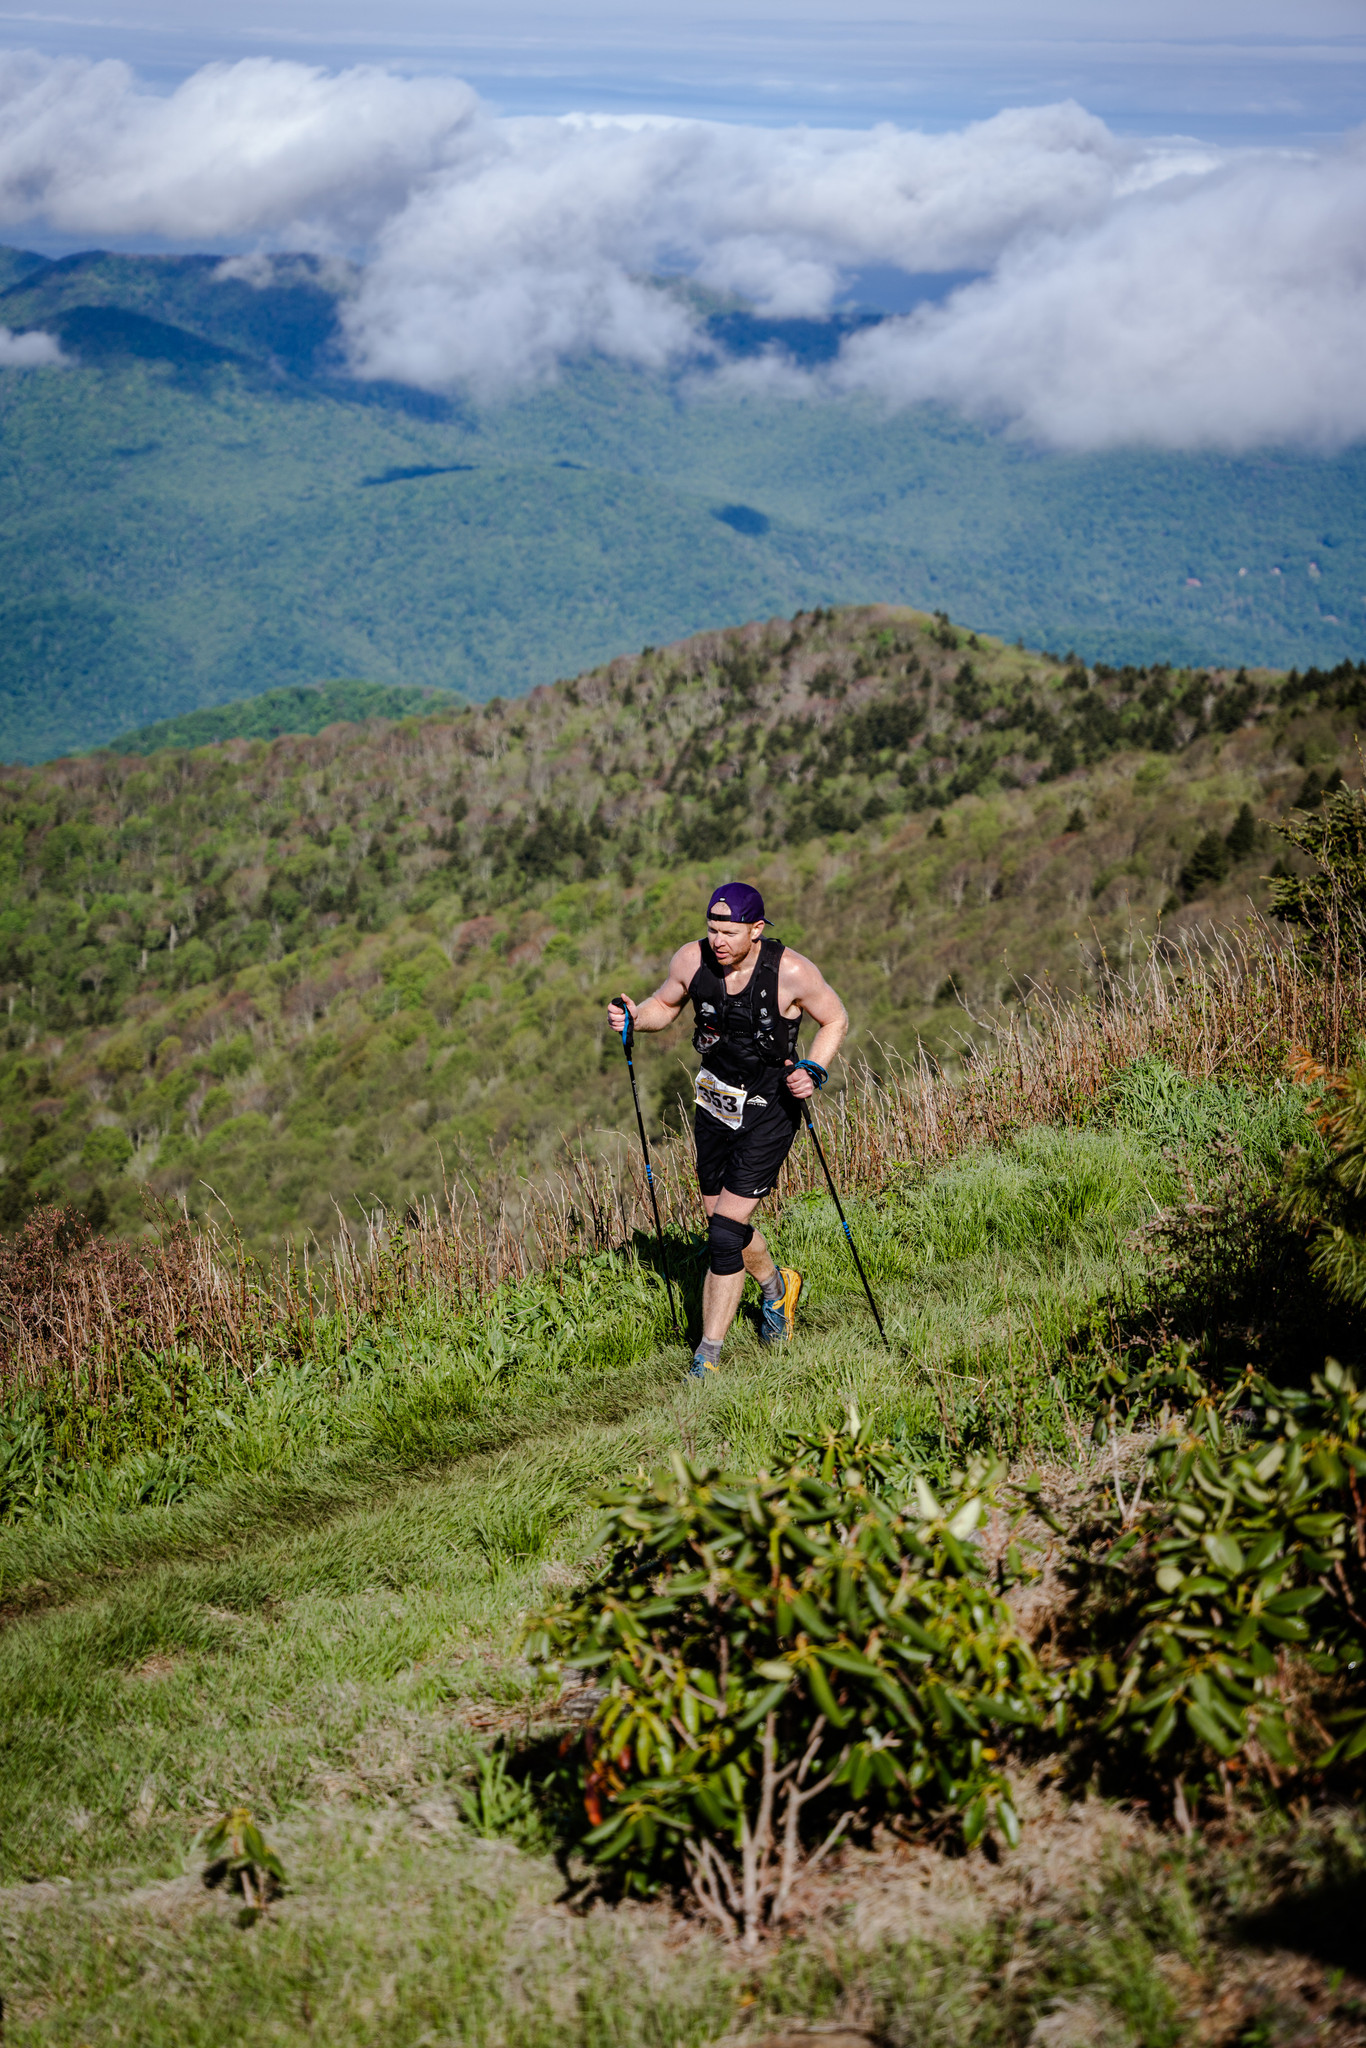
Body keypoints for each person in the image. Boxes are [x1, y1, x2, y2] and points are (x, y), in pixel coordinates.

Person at [607, 882, 848, 1380]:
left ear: (756, 930)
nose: (717, 940)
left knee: (721, 1235)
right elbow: (664, 1006)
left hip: (771, 1103)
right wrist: (634, 1018)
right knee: (723, 1222)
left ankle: (707, 1357)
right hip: (714, 1098)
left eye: (729, 932)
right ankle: (777, 1287)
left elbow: (835, 1019)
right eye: (712, 929)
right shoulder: (691, 961)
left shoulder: (791, 971)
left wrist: (814, 1069)